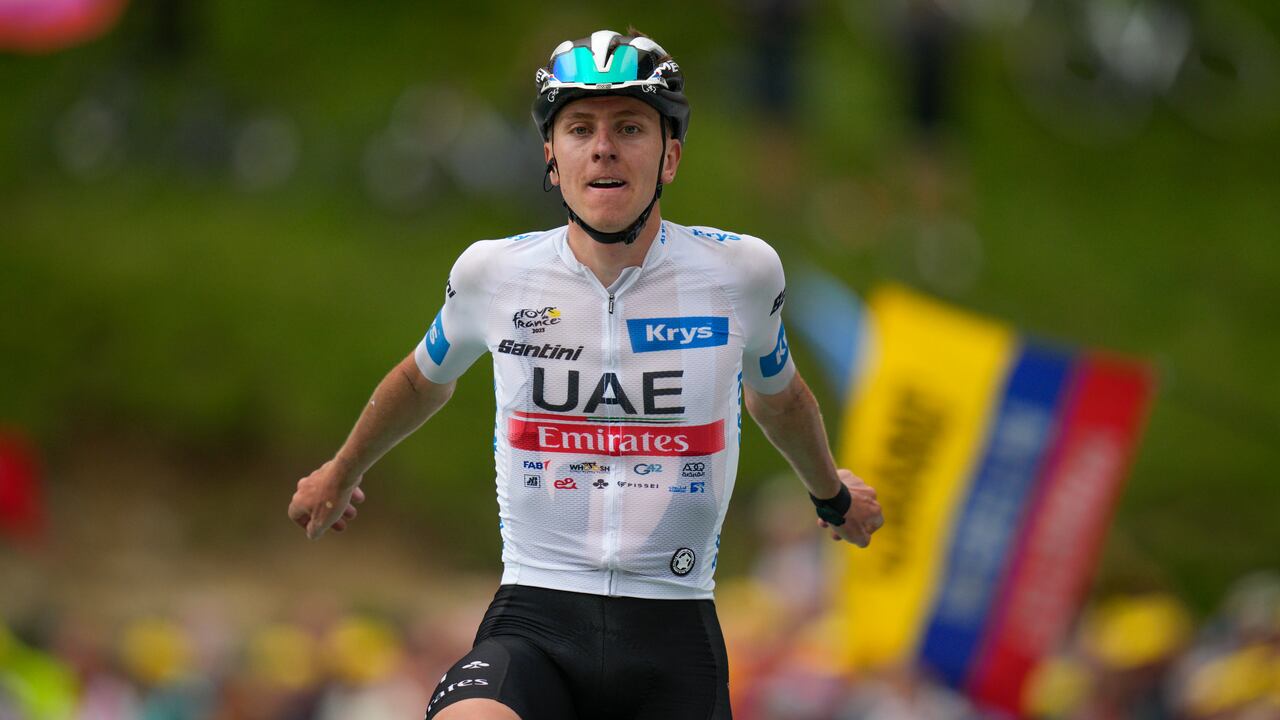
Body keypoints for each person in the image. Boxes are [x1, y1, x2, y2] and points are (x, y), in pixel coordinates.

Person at [287, 29, 884, 720]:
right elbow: (423, 378)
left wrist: (830, 493)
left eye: (630, 127)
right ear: (551, 159)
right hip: (535, 617)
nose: (603, 146)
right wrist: (343, 468)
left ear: (671, 157)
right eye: (580, 129)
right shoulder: (493, 274)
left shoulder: (741, 274)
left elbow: (780, 399)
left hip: (674, 629)